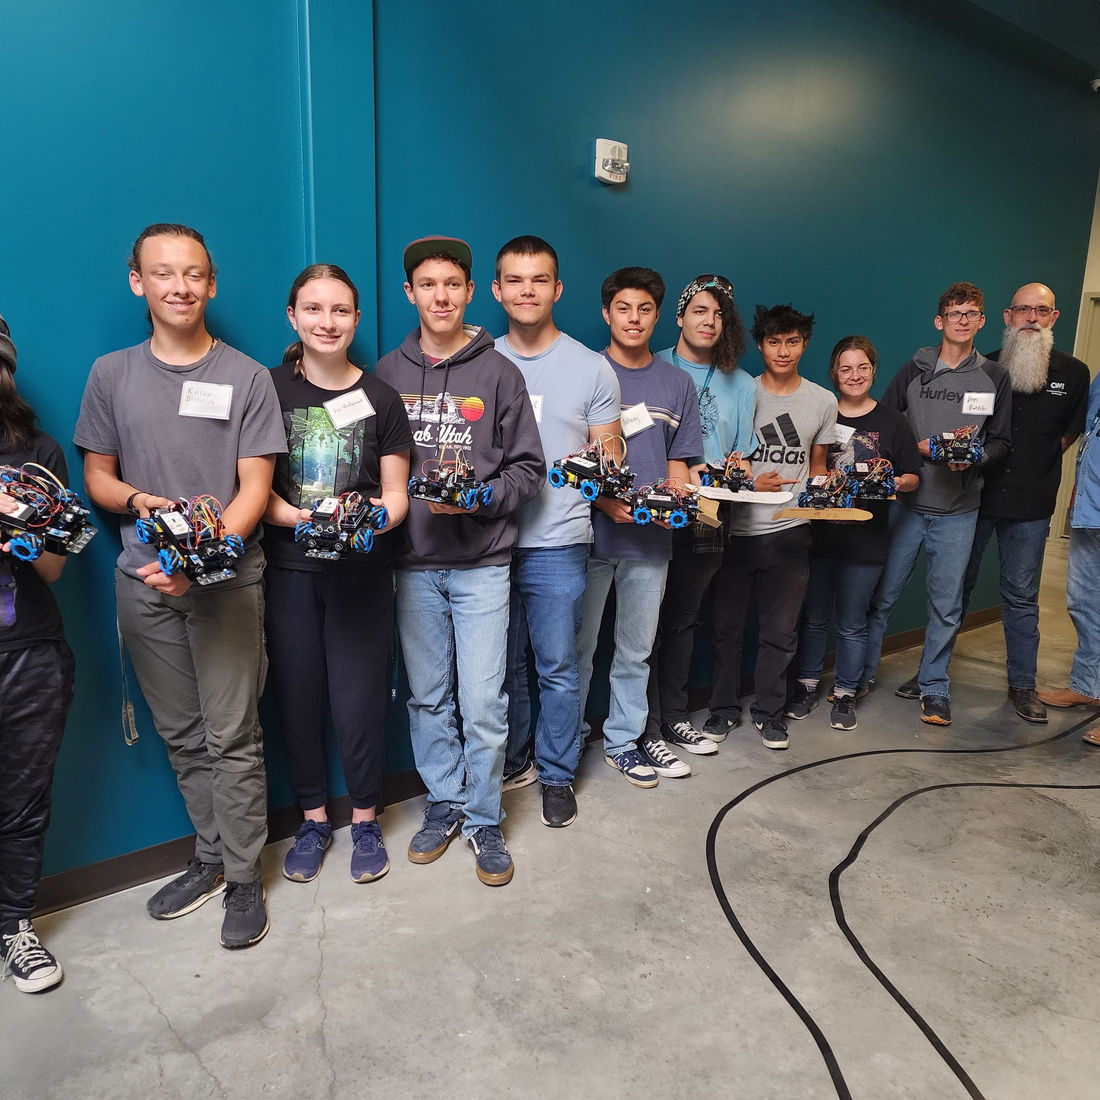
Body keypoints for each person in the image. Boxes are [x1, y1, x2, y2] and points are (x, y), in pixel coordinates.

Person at [74, 224, 287, 949]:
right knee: (183, 736)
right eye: (163, 273)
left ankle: (245, 877)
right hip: (143, 580)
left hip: (225, 582)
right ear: (138, 282)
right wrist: (143, 506)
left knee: (233, 736)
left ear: (212, 282)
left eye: (193, 273)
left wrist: (200, 557)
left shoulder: (248, 377)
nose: (179, 286)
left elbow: (255, 490)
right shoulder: (110, 374)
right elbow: (98, 476)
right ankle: (209, 859)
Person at [374, 236, 544, 886]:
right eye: (427, 284)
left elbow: (531, 468)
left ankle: (483, 818)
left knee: (481, 701)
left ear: (471, 293)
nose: (440, 295)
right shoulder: (387, 374)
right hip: (413, 565)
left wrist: (481, 499)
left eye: (452, 284)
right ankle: (443, 803)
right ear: (410, 293)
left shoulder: (500, 372)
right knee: (428, 698)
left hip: (481, 566)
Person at [262, 264, 412, 883]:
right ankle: (315, 820)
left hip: (362, 574)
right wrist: (303, 517)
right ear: (293, 316)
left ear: (356, 319)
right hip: (291, 570)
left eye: (341, 310)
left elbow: (397, 495)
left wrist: (365, 520)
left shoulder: (381, 398)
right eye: (314, 309)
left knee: (359, 699)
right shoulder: (265, 390)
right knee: (298, 698)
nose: (328, 322)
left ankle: (367, 821)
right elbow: (253, 489)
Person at [894, 284, 1088, 723]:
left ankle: (1022, 686)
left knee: (1020, 595)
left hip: (1033, 501)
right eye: (1023, 309)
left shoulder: (1073, 373)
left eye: (1041, 310)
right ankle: (931, 673)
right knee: (953, 589)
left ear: (1054, 318)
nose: (1031, 318)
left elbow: (1066, 436)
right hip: (974, 497)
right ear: (1006, 316)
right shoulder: (984, 367)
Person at [492, 236, 620, 828]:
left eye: (538, 279)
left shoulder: (593, 367)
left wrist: (597, 470)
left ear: (557, 289)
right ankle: (514, 759)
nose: (526, 290)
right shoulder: (480, 362)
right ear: (495, 291)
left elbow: (608, 459)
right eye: (514, 280)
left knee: (558, 666)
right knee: (503, 668)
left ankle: (558, 774)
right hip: (485, 543)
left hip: (559, 542)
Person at [574, 267, 704, 785]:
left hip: (651, 541)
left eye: (644, 309)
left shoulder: (678, 382)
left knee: (635, 651)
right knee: (576, 652)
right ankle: (569, 740)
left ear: (658, 316)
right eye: (623, 308)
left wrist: (675, 492)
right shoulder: (585, 370)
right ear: (606, 313)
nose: (633, 319)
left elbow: (679, 462)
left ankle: (624, 741)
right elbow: (571, 461)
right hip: (588, 537)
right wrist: (605, 503)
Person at [862, 282, 1011, 726]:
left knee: (945, 606)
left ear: (982, 321)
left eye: (971, 313)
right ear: (939, 321)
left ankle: (934, 687)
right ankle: (861, 675)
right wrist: (919, 448)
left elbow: (1001, 441)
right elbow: (882, 425)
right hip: (906, 506)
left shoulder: (995, 378)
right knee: (882, 597)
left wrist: (975, 457)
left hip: (959, 511)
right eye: (954, 313)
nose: (962, 320)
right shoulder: (914, 369)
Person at [706, 303, 836, 750]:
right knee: (725, 628)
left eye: (793, 342)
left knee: (780, 631)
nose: (783, 351)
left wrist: (828, 487)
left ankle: (768, 711)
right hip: (735, 528)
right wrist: (746, 483)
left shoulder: (822, 401)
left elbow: (817, 466)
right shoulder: (742, 390)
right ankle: (722, 710)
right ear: (760, 345)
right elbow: (724, 461)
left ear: (805, 345)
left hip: (790, 529)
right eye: (774, 341)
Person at [789, 336, 922, 730]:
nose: (854, 375)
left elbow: (914, 477)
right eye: (846, 368)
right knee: (813, 619)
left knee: (852, 622)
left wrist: (892, 483)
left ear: (873, 371)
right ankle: (807, 685)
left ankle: (846, 692)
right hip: (818, 537)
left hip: (866, 542)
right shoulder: (821, 414)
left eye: (862, 367)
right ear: (834, 373)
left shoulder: (893, 422)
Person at [648, 274, 754, 752]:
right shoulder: (652, 365)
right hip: (652, 504)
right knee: (639, 617)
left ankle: (673, 717)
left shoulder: (743, 382)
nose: (709, 322)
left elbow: (743, 455)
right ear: (679, 317)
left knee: (683, 617)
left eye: (719, 314)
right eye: (699, 311)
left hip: (710, 508)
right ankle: (640, 726)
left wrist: (736, 469)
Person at [0, 314, 73, 993]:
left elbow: (52, 569)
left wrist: (25, 538)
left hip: (26, 653)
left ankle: (14, 925)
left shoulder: (38, 453)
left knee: (23, 801)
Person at [1038, 370, 1100, 735]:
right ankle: (1088, 685)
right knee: (1083, 600)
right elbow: (1088, 436)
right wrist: (1079, 491)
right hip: (1091, 509)